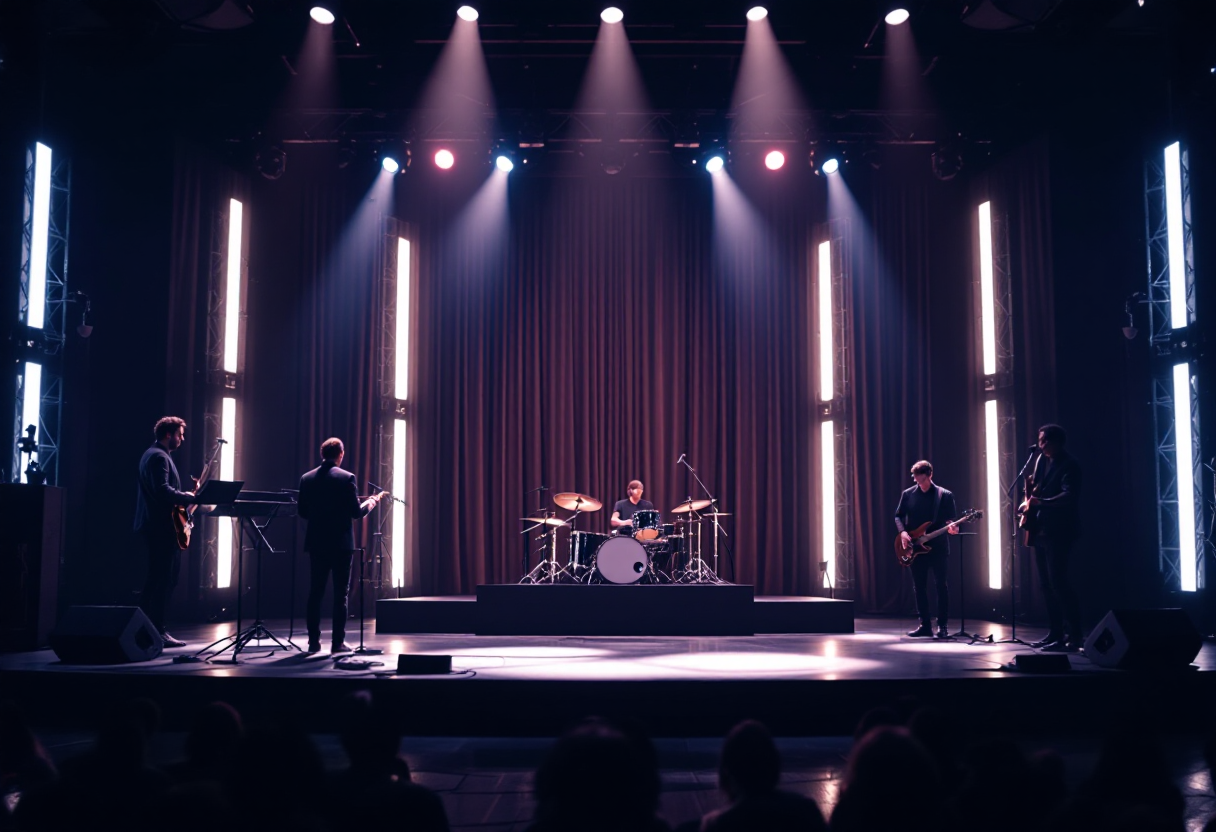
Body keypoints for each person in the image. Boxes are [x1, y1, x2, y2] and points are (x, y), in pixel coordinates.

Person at [297, 437, 385, 654]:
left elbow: (303, 512)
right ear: (341, 454)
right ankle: (337, 643)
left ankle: (313, 643)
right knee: (340, 594)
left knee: (315, 592)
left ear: (322, 454)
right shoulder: (347, 478)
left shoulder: (306, 478)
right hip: (341, 545)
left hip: (317, 543)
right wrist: (372, 502)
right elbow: (356, 513)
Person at [133, 416, 196, 647]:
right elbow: (162, 491)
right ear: (168, 434)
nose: (182, 438)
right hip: (160, 527)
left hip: (155, 526)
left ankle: (147, 629)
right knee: (163, 580)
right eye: (180, 434)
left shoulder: (152, 454)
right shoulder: (159, 456)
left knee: (157, 579)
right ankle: (156, 631)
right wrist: (188, 496)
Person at [1023, 423, 1083, 651]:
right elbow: (1035, 490)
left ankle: (1075, 634)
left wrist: (1043, 503)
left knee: (1059, 582)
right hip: (1040, 530)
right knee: (1046, 584)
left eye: (1044, 440)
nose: (1040, 445)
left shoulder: (1070, 465)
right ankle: (1055, 632)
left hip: (1060, 531)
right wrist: (1026, 502)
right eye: (1040, 440)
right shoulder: (1040, 461)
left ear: (1055, 441)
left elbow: (1070, 496)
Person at [894, 460, 958, 638]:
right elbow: (898, 516)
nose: (915, 479)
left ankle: (942, 626)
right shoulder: (908, 494)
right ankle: (925, 625)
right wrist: (903, 533)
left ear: (929, 474)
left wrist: (953, 528)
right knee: (919, 587)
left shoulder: (944, 495)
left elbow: (950, 521)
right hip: (915, 546)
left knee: (941, 586)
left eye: (918, 476)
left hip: (938, 547)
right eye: (913, 475)